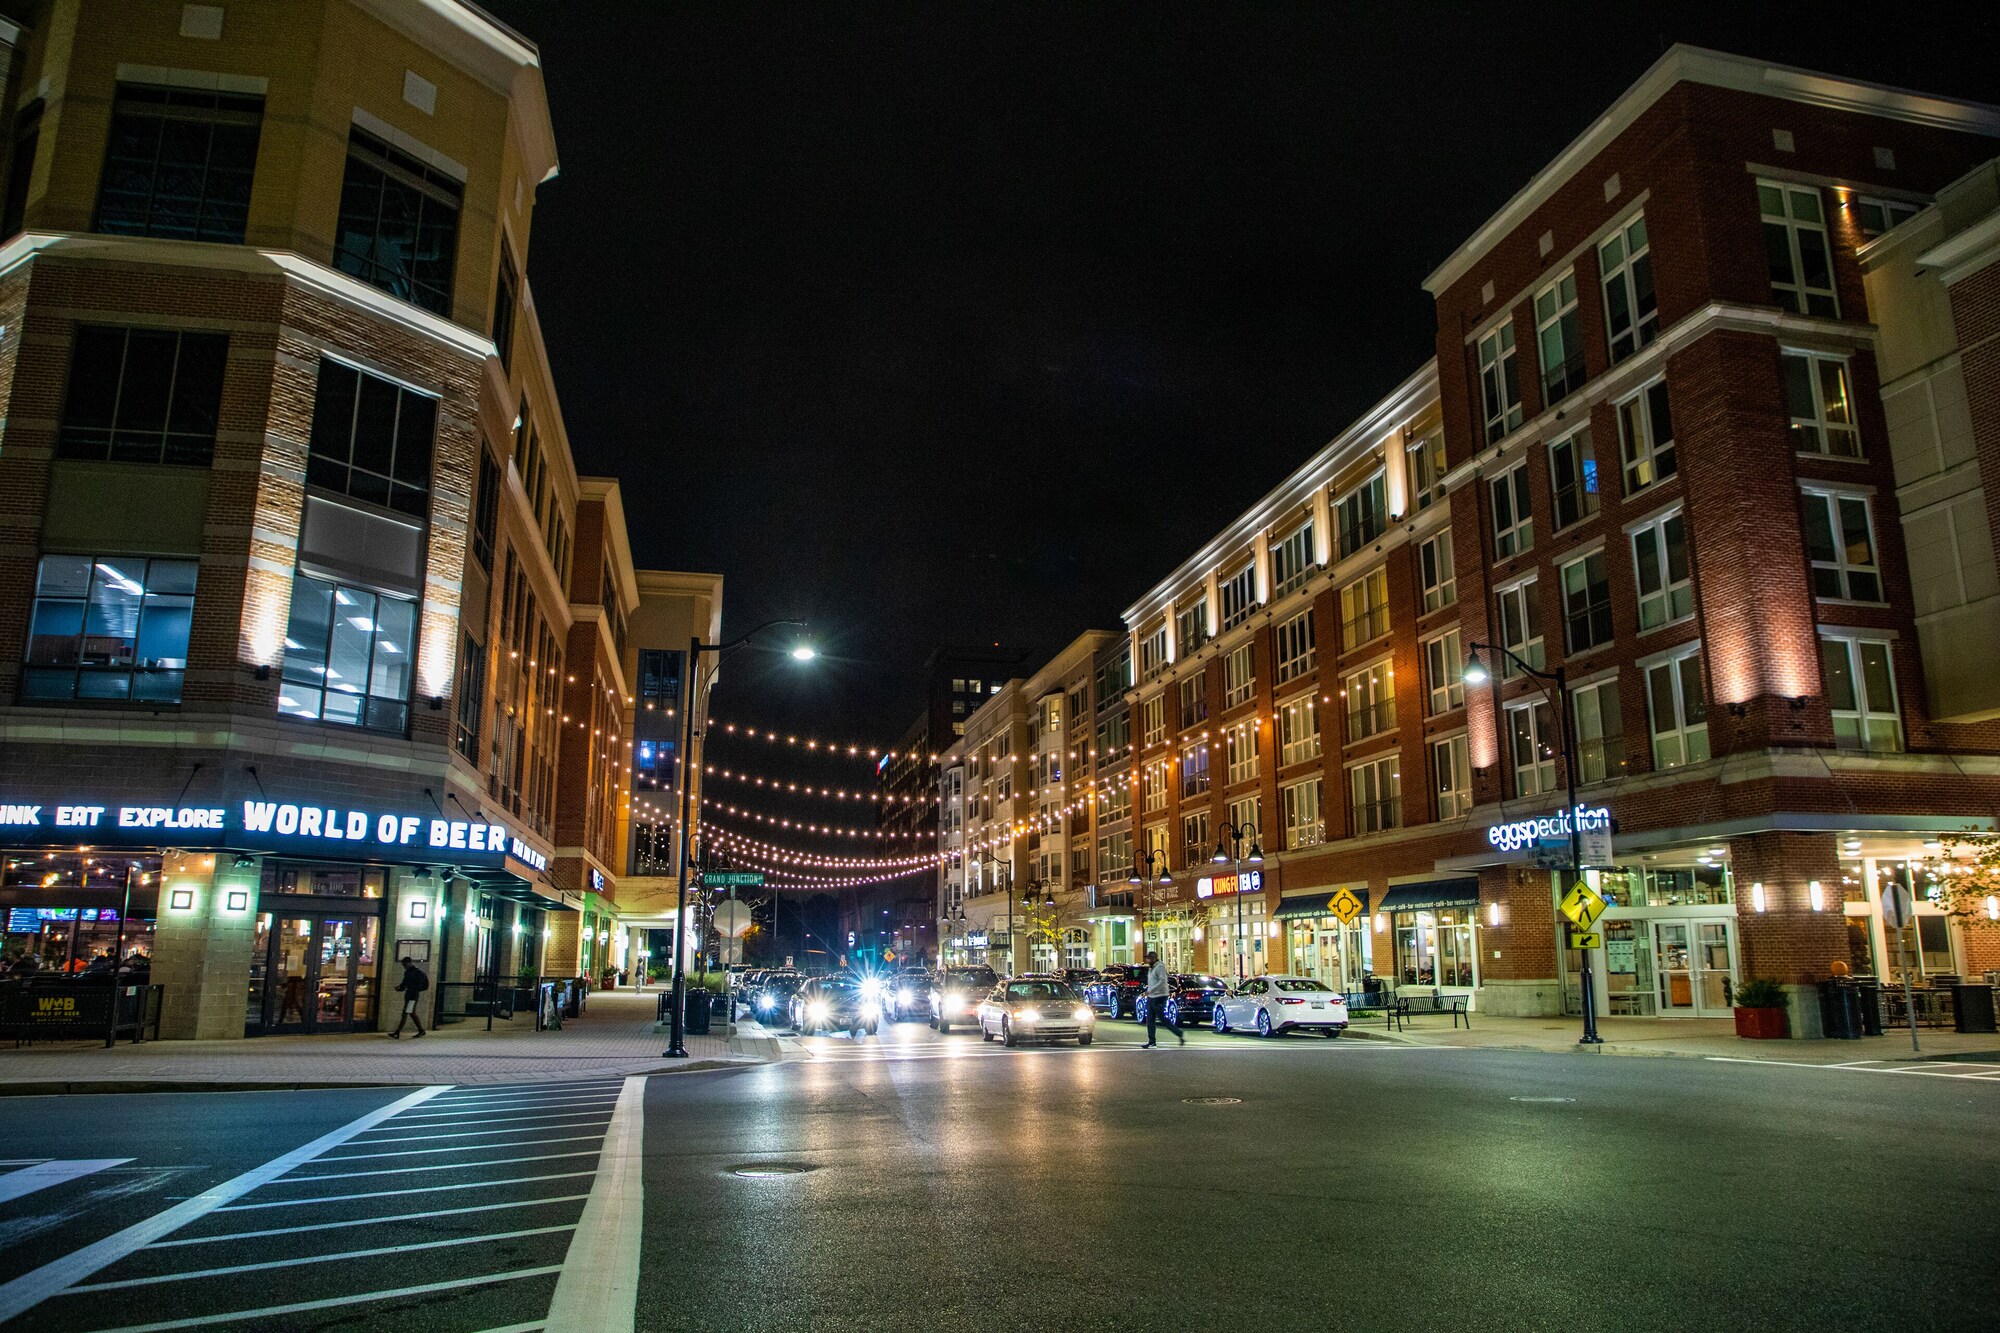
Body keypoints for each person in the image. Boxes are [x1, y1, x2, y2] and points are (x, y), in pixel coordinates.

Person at [1141, 950, 1184, 1048]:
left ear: (1153, 959)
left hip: (1159, 996)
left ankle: (1179, 1033)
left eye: (1149, 958)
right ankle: (1152, 1041)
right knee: (1150, 1019)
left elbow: (1162, 981)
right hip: (1152, 996)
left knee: (1163, 1019)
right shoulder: (1151, 968)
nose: (1147, 960)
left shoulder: (1160, 967)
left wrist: (1150, 990)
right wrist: (1149, 991)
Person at [389, 955, 429, 1038]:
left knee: (406, 1013)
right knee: (410, 1013)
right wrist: (400, 987)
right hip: (409, 995)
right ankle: (421, 1030)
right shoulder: (408, 972)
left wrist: (406, 988)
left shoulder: (418, 973)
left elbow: (419, 985)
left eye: (405, 965)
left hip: (413, 996)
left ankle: (398, 1032)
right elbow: (404, 983)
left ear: (409, 963)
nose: (404, 967)